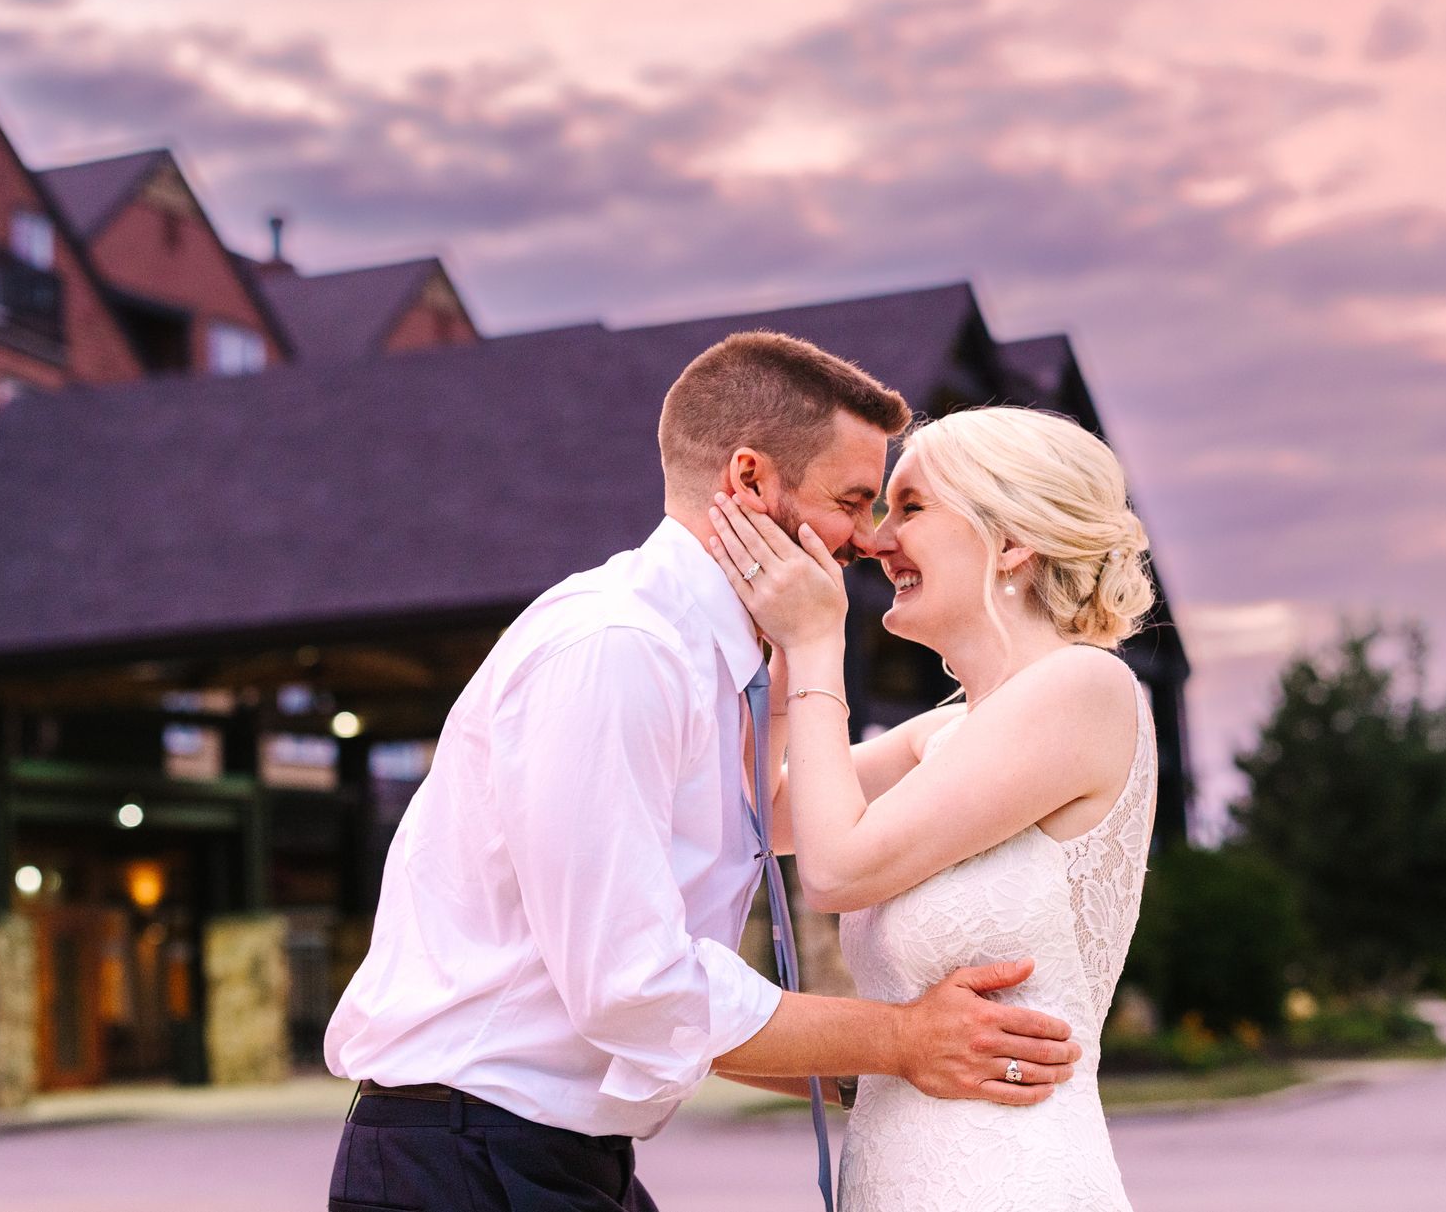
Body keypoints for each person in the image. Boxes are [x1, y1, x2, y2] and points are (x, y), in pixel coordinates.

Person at [324, 334, 1083, 1212]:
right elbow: (637, 988)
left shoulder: (713, 661)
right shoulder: (620, 649)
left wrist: (969, 730)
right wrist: (905, 1041)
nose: (869, 538)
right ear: (752, 480)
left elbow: (781, 822)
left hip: (547, 1157)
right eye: (852, 500)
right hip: (466, 1161)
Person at [705, 405, 1158, 1212]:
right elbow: (759, 814)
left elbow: (835, 868)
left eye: (909, 507)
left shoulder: (1085, 687)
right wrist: (777, 647)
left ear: (1012, 539)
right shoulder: (947, 733)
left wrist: (819, 646)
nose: (875, 542)